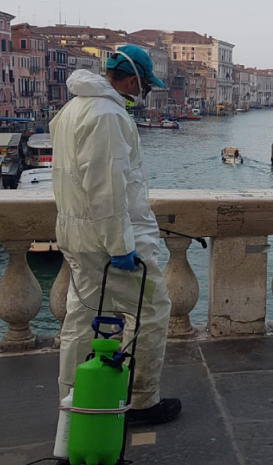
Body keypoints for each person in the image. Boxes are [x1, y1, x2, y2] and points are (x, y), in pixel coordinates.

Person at [50, 45, 181, 425]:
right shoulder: (107, 114)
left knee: (81, 318)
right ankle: (140, 401)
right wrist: (121, 247)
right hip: (109, 242)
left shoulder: (71, 109)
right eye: (144, 85)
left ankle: (75, 403)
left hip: (76, 236)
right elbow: (106, 189)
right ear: (130, 79)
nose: (145, 92)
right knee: (152, 311)